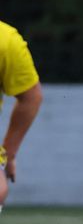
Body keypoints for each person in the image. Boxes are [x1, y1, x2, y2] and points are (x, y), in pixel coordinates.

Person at [0, 20, 43, 213]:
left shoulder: (6, 41)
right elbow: (31, 98)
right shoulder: (6, 38)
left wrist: (8, 154)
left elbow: (31, 98)